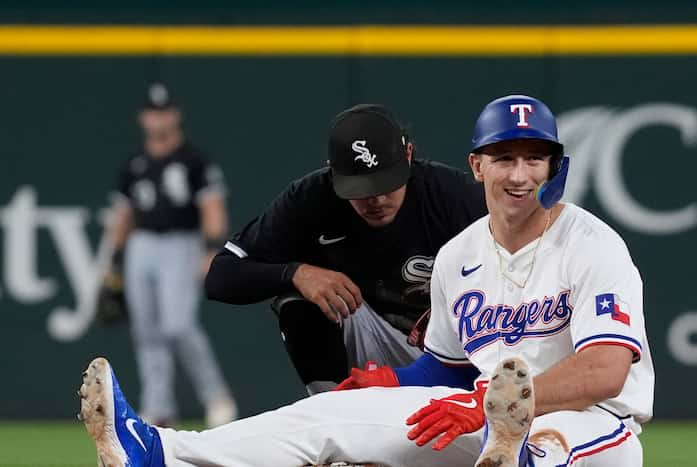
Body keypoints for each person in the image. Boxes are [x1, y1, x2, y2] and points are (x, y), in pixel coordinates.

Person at [78, 94, 654, 467]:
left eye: (535, 159)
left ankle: (517, 457)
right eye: (505, 158)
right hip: (477, 416)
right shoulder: (460, 255)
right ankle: (157, 451)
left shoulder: (591, 243)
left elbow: (605, 371)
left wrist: (488, 407)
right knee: (324, 419)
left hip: (589, 427)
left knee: (546, 452)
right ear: (478, 165)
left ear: (556, 167)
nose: (520, 174)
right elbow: (447, 369)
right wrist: (388, 380)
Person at [203, 103, 487, 394]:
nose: (375, 199)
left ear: (409, 156)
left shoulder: (452, 196)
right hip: (371, 340)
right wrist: (295, 273)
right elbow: (220, 277)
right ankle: (332, 410)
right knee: (297, 298)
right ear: (333, 173)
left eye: (386, 183)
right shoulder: (311, 199)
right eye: (361, 188)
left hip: (451, 354)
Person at [101, 83, 237, 428]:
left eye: (164, 111)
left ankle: (216, 396)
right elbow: (123, 216)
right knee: (146, 330)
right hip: (142, 245)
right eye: (152, 112)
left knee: (178, 325)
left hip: (181, 242)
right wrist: (115, 261)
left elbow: (213, 207)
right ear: (143, 118)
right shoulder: (135, 164)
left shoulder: (194, 160)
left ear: (175, 115)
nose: (158, 118)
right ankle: (158, 407)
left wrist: (211, 248)